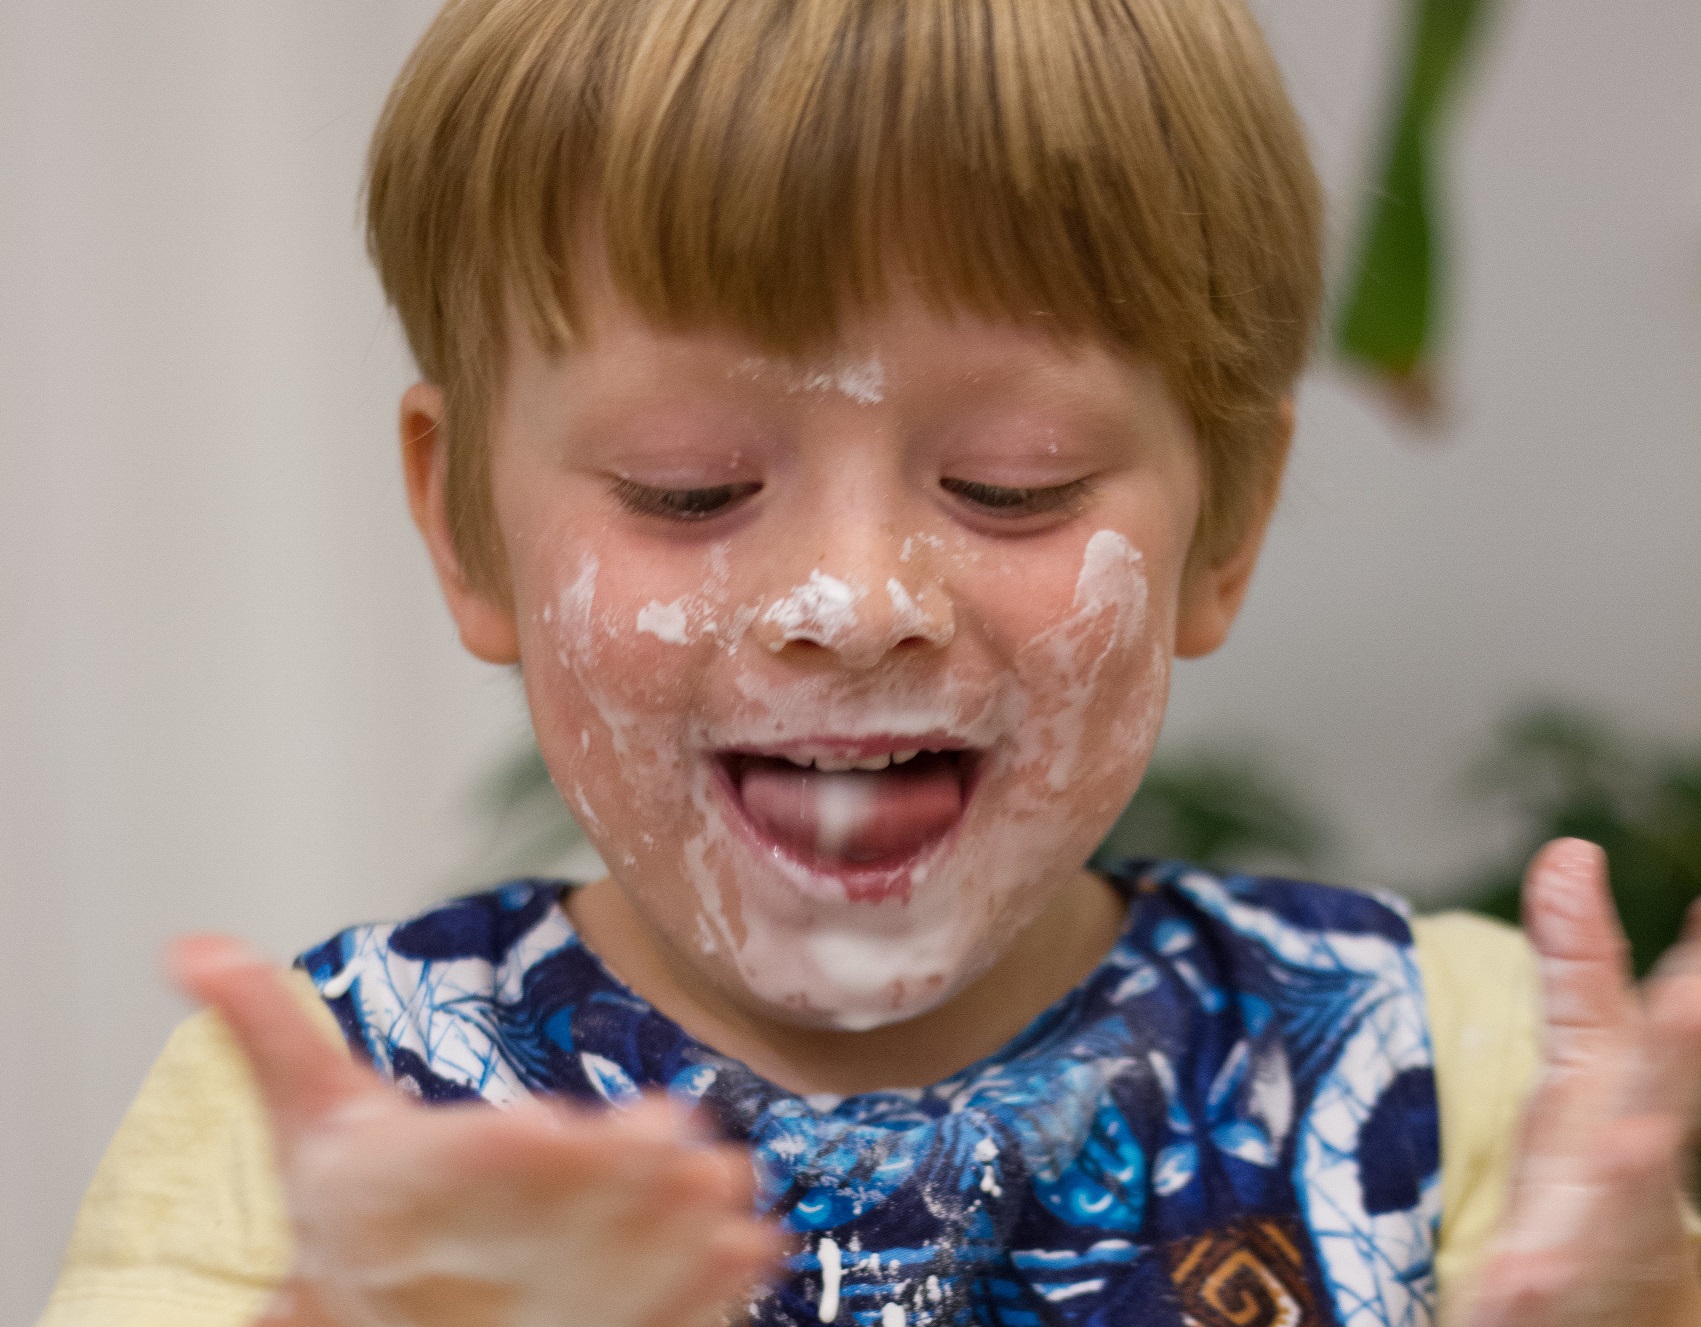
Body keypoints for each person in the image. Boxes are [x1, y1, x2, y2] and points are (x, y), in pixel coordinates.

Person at [37, 1, 1701, 1324]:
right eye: (688, 487)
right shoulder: (323, 1114)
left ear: (1228, 524)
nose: (852, 601)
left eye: (1012, 484)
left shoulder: (1452, 1064)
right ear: (463, 522)